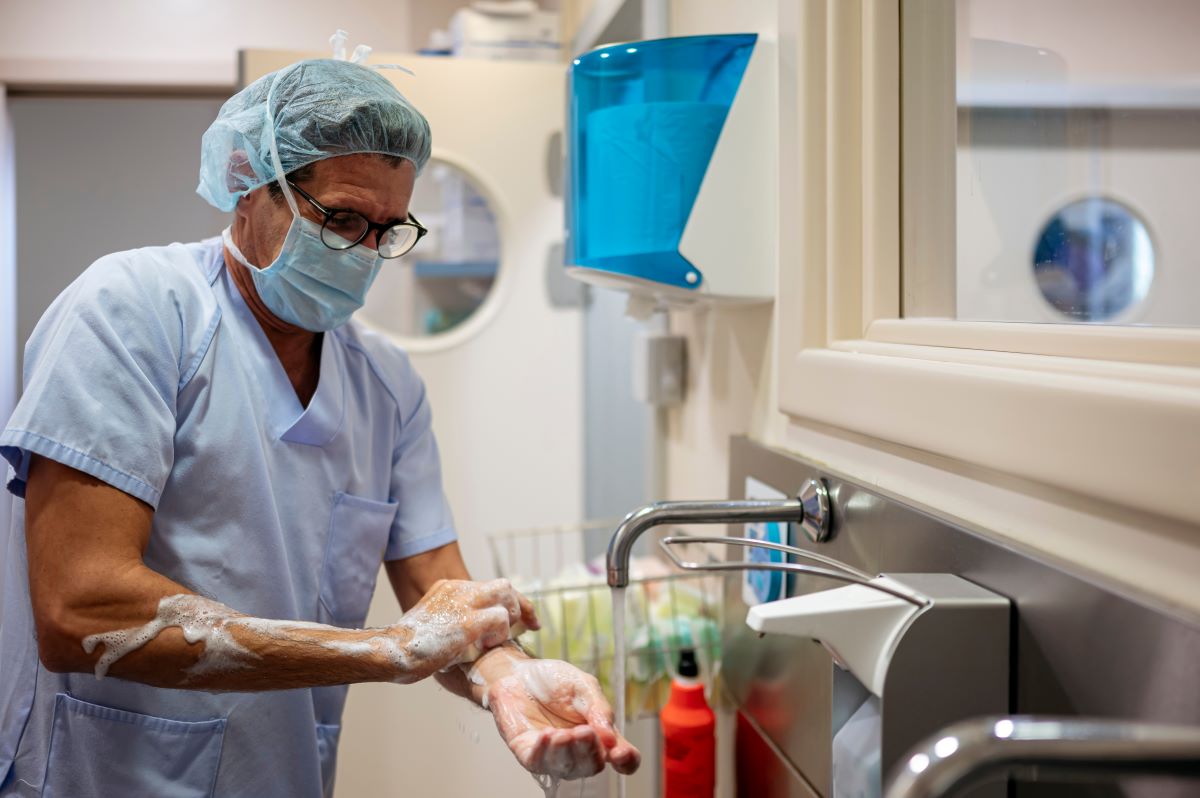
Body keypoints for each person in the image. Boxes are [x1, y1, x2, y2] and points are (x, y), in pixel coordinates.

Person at [0, 51, 639, 797]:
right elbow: (78, 607)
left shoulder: (387, 386)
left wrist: (507, 672)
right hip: (105, 774)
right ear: (248, 184)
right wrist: (385, 652)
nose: (365, 253)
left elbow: (439, 591)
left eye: (387, 230)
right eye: (341, 219)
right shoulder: (131, 313)